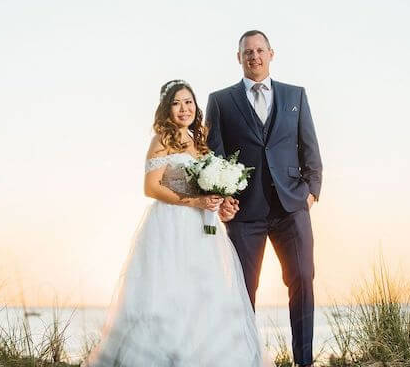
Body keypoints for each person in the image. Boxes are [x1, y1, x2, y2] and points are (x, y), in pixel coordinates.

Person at [82, 79, 271, 367]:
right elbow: (151, 187)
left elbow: (208, 191)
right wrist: (195, 202)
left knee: (205, 291)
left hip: (203, 228)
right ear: (167, 109)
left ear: (196, 106)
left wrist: (221, 205)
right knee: (171, 291)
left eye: (189, 102)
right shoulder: (162, 140)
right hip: (172, 225)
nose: (184, 108)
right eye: (176, 103)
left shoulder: (202, 145)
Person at [206, 30, 323, 367]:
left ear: (271, 54)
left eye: (259, 50)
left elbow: (310, 147)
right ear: (238, 57)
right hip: (245, 213)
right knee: (243, 292)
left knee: (302, 276)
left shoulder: (295, 95)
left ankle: (304, 360)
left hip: (292, 209)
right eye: (247, 52)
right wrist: (223, 198)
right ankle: (244, 359)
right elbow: (215, 155)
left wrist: (311, 192)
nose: (254, 56)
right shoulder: (221, 101)